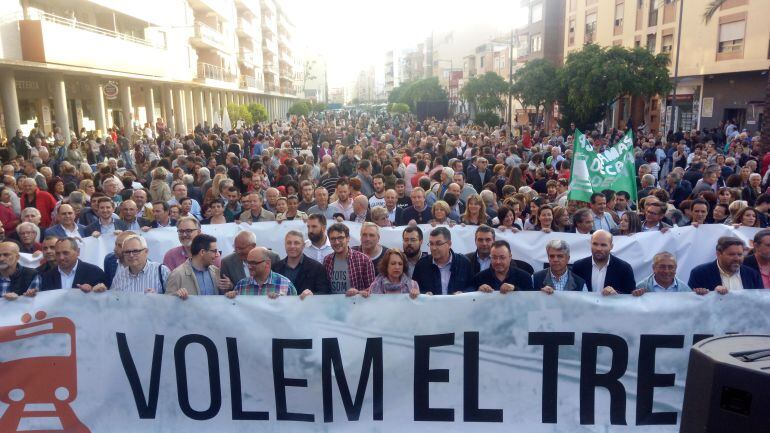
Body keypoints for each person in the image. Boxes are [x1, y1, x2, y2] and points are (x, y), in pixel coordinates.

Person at [688, 236, 764, 294]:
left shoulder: (752, 274)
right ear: (718, 254)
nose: (737, 258)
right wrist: (712, 294)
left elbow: (759, 299)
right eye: (731, 254)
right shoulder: (700, 273)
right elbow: (693, 302)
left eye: (740, 254)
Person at [572, 230, 636, 294]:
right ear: (590, 244)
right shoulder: (578, 267)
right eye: (595, 244)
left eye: (603, 245)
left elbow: (630, 296)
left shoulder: (624, 268)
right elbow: (572, 293)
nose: (598, 248)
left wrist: (616, 294)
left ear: (611, 246)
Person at [412, 226, 473, 295]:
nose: (434, 248)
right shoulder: (422, 265)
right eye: (431, 244)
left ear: (449, 244)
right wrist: (424, 294)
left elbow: (472, 286)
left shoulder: (464, 263)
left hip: (458, 305)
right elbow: (414, 288)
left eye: (438, 243)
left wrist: (463, 293)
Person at [165, 234, 227, 299]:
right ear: (202, 252)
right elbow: (168, 302)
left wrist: (229, 288)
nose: (217, 254)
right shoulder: (177, 274)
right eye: (214, 251)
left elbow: (223, 299)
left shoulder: (216, 272)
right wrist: (177, 295)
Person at [323, 222, 375, 296]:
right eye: (333, 239)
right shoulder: (327, 260)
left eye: (340, 238)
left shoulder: (363, 260)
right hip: (333, 305)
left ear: (348, 238)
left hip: (356, 305)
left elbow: (372, 289)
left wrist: (358, 293)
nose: (337, 242)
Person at [272, 230, 328, 296]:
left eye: (296, 243)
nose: (292, 246)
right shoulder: (275, 268)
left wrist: (313, 296)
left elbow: (324, 293)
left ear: (303, 245)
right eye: (289, 243)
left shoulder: (317, 268)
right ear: (285, 245)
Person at [226, 247, 297, 298]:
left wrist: (281, 302)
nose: (249, 267)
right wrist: (230, 298)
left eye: (254, 263)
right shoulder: (241, 285)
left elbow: (294, 311)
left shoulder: (286, 285)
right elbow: (235, 311)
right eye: (248, 262)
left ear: (267, 263)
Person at [41, 238, 107, 290]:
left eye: (65, 253)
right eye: (58, 253)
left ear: (78, 252)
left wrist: (93, 291)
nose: (61, 257)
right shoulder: (47, 277)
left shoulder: (95, 273)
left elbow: (104, 300)